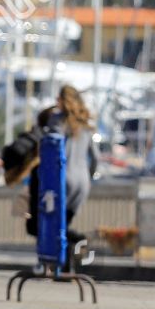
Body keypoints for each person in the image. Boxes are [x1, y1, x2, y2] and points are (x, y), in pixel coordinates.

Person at [25, 85, 98, 259]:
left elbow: (52, 147)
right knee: (63, 225)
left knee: (47, 226)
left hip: (62, 180)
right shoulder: (86, 125)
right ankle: (67, 264)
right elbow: (96, 158)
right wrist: (89, 176)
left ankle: (73, 246)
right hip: (82, 183)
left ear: (62, 100)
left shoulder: (57, 120)